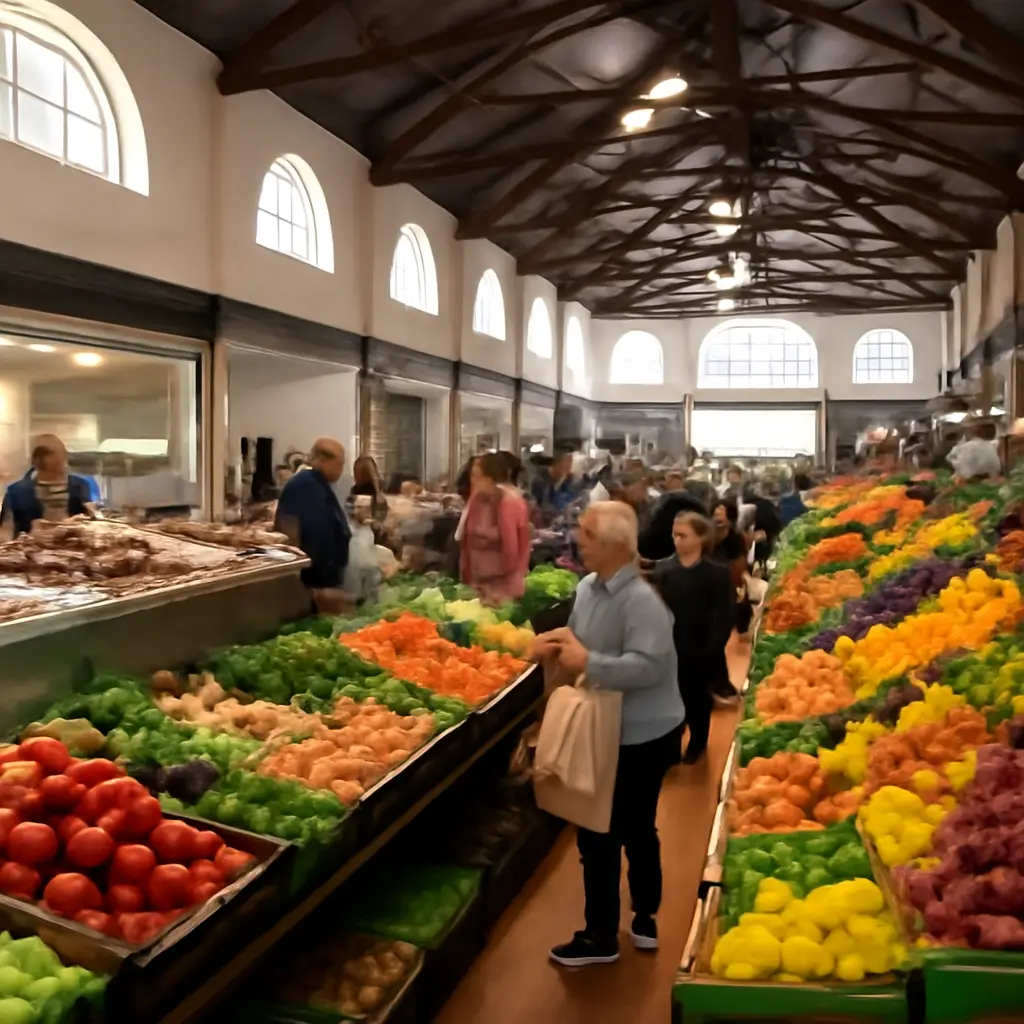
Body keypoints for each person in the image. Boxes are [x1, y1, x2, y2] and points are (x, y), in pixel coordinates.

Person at [532, 501, 684, 966]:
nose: (579, 539)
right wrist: (553, 643)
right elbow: (579, 637)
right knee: (605, 828)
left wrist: (590, 664)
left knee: (617, 830)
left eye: (588, 533)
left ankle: (620, 927)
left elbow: (649, 666)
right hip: (604, 729)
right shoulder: (588, 588)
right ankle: (627, 920)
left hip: (643, 734)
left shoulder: (642, 601)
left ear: (616, 545)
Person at [652, 511, 734, 764]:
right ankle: (671, 746)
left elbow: (723, 613)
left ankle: (698, 742)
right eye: (674, 535)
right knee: (669, 699)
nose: (677, 540)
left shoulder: (717, 573)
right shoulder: (664, 568)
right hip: (669, 645)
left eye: (683, 535)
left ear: (700, 537)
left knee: (697, 699)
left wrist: (713, 646)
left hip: (701, 647)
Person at [274, 438, 352, 612]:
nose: (341, 470)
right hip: (312, 587)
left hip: (326, 585)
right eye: (339, 464)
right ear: (323, 461)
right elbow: (288, 538)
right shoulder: (302, 486)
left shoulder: (320, 486)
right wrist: (309, 592)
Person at [460, 452, 530, 602]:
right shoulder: (478, 499)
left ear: (490, 478)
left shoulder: (508, 501)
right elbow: (466, 538)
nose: (472, 481)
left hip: (502, 588)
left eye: (476, 476)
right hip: (479, 583)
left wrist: (494, 586)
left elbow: (511, 551)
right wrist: (469, 578)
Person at [1, 434, 93, 537]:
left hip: (74, 549)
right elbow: (6, 531)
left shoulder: (80, 487)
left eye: (62, 461)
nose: (63, 465)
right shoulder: (16, 493)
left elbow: (91, 522)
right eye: (53, 470)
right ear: (38, 462)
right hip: (30, 550)